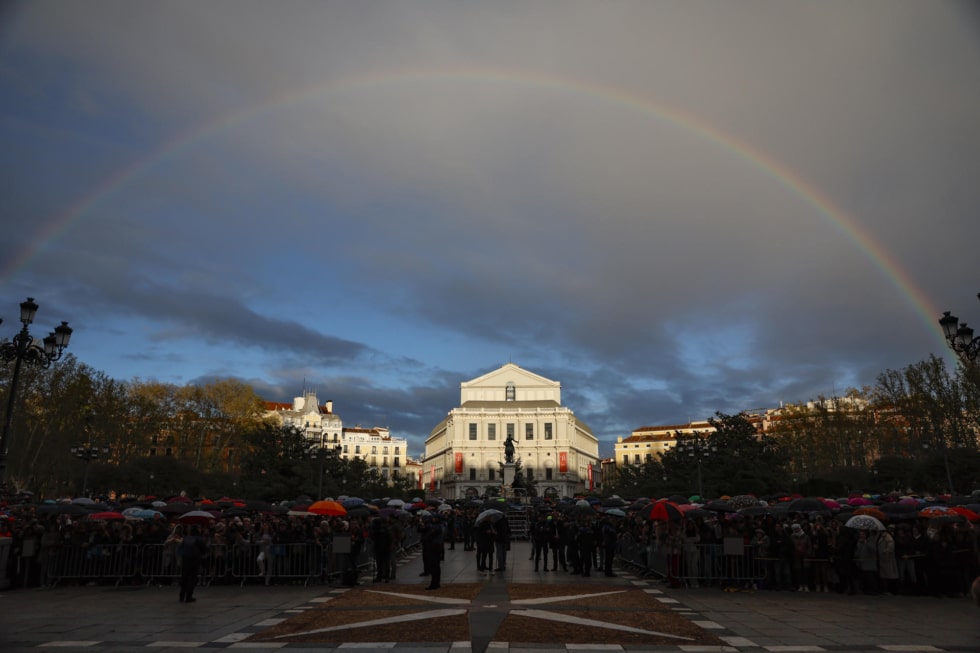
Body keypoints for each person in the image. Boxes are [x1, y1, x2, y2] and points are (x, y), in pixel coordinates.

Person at [178, 524, 208, 603]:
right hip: (194, 559)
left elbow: (181, 548)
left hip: (186, 558)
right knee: (192, 577)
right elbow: (204, 549)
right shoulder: (199, 538)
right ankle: (189, 596)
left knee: (185, 576)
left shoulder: (186, 538)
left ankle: (182, 595)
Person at [421, 516, 444, 590]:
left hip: (433, 547)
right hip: (438, 546)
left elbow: (430, 535)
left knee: (434, 566)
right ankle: (436, 583)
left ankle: (434, 584)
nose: (432, 519)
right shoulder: (441, 526)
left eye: (434, 518)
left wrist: (424, 538)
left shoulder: (436, 527)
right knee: (436, 566)